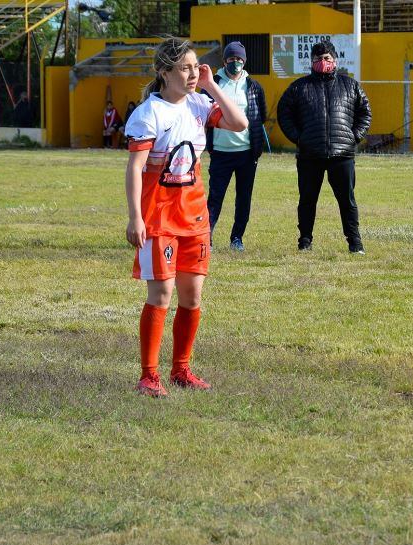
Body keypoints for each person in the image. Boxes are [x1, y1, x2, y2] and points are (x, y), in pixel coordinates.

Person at [124, 37, 247, 397]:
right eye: (185, 68)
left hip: (195, 219)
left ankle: (181, 370)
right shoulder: (148, 114)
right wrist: (135, 218)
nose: (192, 73)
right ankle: (149, 375)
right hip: (159, 219)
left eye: (196, 67)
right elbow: (135, 169)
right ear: (164, 72)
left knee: (191, 298)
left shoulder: (199, 103)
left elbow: (239, 124)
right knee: (161, 295)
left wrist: (211, 85)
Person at [277, 40, 372, 254]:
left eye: (327, 58)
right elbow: (284, 113)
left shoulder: (351, 85)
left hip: (343, 155)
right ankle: (305, 242)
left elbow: (365, 112)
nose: (323, 62)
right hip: (310, 154)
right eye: (318, 59)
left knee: (347, 201)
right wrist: (299, 138)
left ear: (335, 60)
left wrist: (353, 136)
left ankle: (355, 244)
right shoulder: (299, 87)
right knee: (308, 200)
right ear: (311, 62)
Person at [203, 41, 267, 252]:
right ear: (224, 61)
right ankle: (206, 237)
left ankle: (237, 238)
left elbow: (261, 115)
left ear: (244, 61)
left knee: (244, 199)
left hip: (247, 154)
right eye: (231, 59)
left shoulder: (253, 86)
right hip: (221, 152)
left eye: (239, 59)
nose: (236, 62)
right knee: (215, 197)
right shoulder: (215, 83)